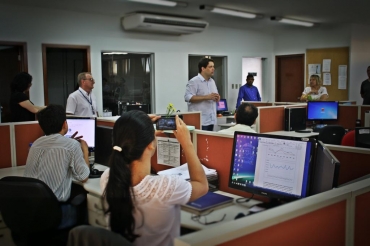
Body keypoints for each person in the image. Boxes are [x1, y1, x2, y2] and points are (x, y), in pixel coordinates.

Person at [100, 111, 208, 245]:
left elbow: (127, 147)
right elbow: (202, 185)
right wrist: (187, 143)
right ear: (150, 145)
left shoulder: (108, 177)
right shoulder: (166, 187)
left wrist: (145, 135)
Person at [24, 104, 90, 227]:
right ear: (65, 124)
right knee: (87, 208)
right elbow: (84, 176)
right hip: (56, 213)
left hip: (34, 213)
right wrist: (84, 150)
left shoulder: (36, 144)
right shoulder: (72, 146)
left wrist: (70, 143)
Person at [184, 58, 220, 131]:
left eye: (213, 67)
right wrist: (206, 97)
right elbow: (187, 97)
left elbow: (215, 95)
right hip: (201, 121)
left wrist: (217, 97)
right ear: (203, 68)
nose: (213, 69)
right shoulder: (194, 81)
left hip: (211, 120)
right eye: (210, 67)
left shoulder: (212, 81)